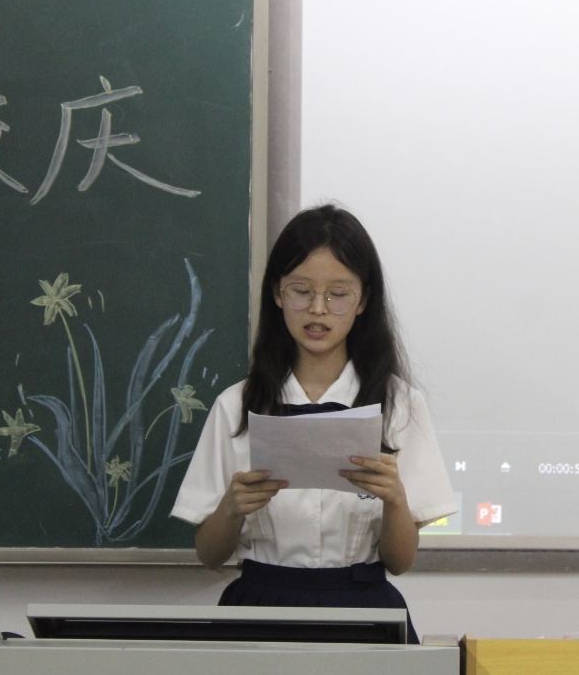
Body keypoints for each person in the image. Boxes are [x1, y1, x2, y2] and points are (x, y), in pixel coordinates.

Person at [171, 203, 457, 644]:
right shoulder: (236, 406)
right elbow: (209, 556)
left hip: (364, 608)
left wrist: (396, 500)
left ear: (363, 300)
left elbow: (401, 562)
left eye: (338, 294)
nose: (318, 309)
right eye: (301, 291)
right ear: (277, 294)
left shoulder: (400, 404)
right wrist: (231, 506)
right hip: (260, 605)